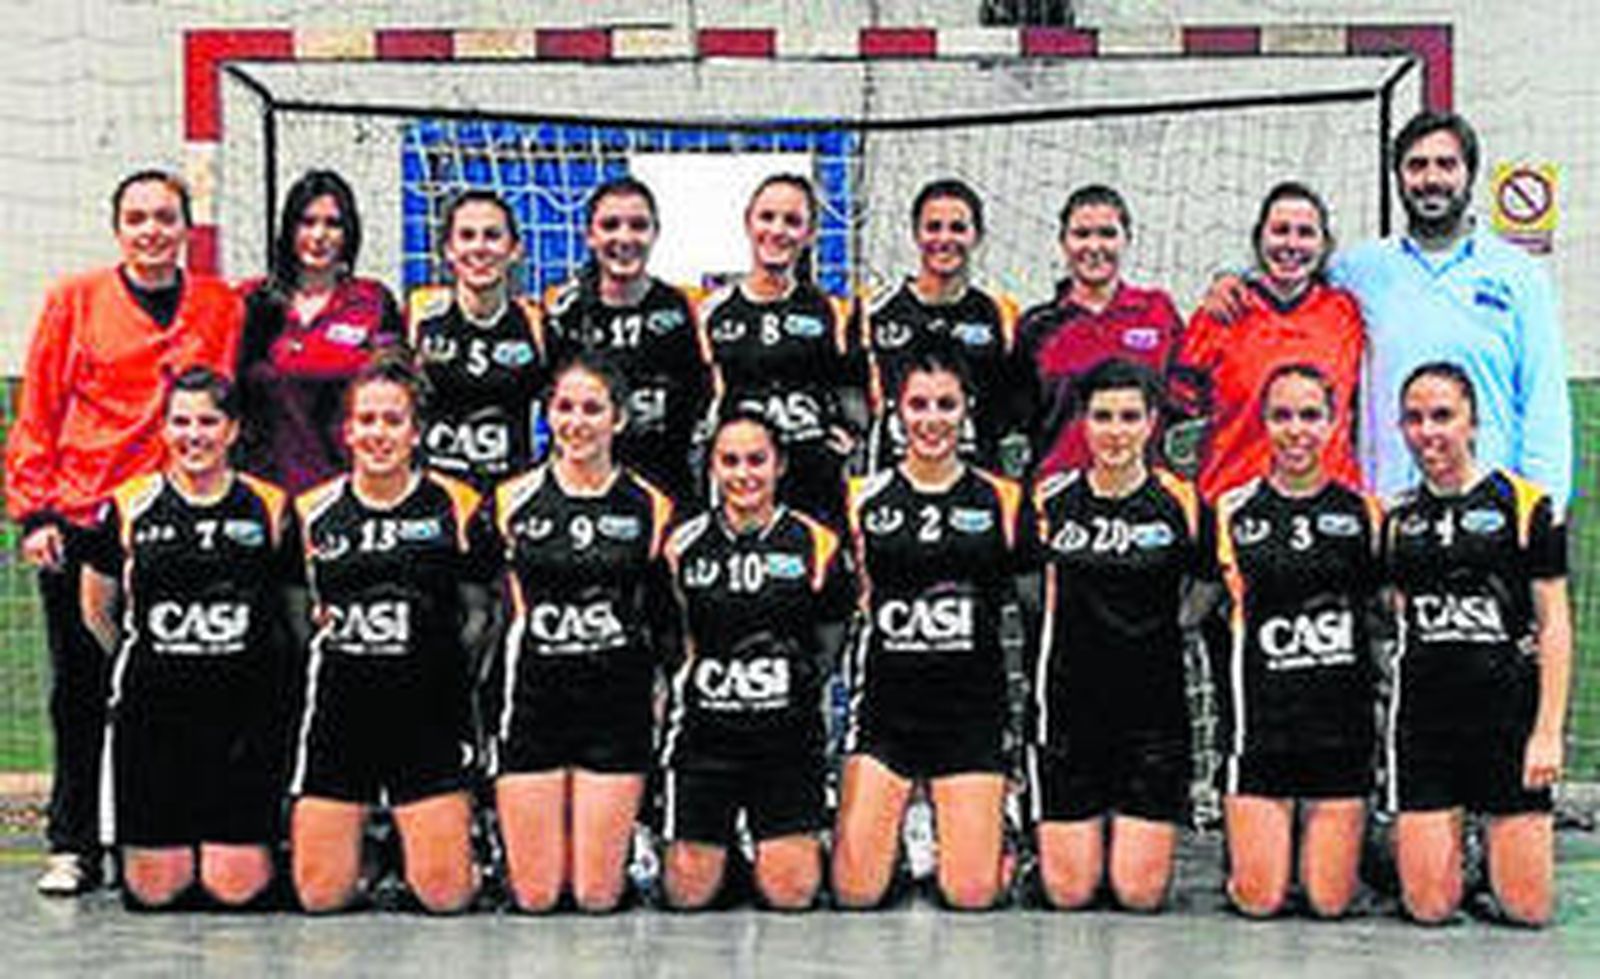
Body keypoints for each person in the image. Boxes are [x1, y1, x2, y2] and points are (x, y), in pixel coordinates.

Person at [5, 168, 243, 895]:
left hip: (182, 522)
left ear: (186, 228)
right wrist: (36, 513)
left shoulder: (221, 305)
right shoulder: (73, 301)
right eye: (137, 218)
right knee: (81, 687)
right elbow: (39, 410)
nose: (151, 231)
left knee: (181, 682)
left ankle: (178, 830)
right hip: (86, 519)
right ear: (117, 228)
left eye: (165, 217)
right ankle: (73, 841)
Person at [1203, 112, 1572, 509]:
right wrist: (1234, 276)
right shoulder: (1359, 269)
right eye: (1417, 166)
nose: (1431, 178)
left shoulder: (1519, 274)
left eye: (1446, 165)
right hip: (1390, 504)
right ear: (1398, 177)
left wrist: (1546, 504)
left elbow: (1543, 399)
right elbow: (1292, 265)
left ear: (1469, 174)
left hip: (1490, 506)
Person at [79, 367, 296, 909]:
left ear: (233, 430)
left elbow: (293, 615)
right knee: (156, 893)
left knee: (236, 891)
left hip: (242, 718)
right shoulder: (128, 505)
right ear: (163, 429)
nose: (193, 435)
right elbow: (98, 611)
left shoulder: (270, 507)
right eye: (180, 422)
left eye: (207, 422)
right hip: (155, 717)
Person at [287, 355, 496, 914]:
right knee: (320, 897)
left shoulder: (457, 506)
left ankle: (455, 844)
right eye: (367, 420)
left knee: (446, 897)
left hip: (425, 715)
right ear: (348, 431)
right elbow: (296, 615)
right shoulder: (310, 512)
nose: (379, 434)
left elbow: (480, 613)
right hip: (340, 713)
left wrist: (446, 673)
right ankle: (372, 852)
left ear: (416, 431)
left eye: (393, 420)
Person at [833, 341, 1033, 911]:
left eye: (946, 404)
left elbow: (1029, 602)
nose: (932, 420)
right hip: (886, 710)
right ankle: (900, 832)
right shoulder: (861, 498)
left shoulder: (1003, 499)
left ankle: (1003, 826)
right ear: (896, 411)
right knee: (855, 893)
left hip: (968, 710)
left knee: (971, 895)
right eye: (918, 405)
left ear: (967, 408)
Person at [485, 353, 676, 913]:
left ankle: (630, 848)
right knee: (537, 897)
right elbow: (484, 605)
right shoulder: (509, 500)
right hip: (533, 702)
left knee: (595, 896)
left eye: (592, 409)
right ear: (548, 414)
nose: (577, 422)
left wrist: (663, 689)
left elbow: (664, 615)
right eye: (565, 408)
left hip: (614, 705)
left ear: (619, 418)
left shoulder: (652, 506)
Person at [1382, 362, 1570, 926]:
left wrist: (1546, 734)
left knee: (1528, 909)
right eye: (1414, 418)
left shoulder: (1526, 506)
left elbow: (1554, 624)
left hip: (1506, 725)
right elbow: (1395, 610)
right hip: (1426, 728)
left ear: (1473, 421)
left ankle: (1489, 852)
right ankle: (1431, 850)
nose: (1428, 432)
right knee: (1428, 908)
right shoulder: (1396, 519)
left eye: (1443, 416)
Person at [1029, 358, 1209, 912]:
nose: (1115, 431)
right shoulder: (1049, 501)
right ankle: (1036, 854)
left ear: (1152, 423)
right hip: (1068, 714)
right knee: (1070, 894)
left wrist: (1168, 626)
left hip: (1152, 718)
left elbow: (1205, 585)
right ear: (1083, 422)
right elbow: (1027, 588)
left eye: (1129, 417)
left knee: (1138, 894)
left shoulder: (1182, 503)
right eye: (1102, 416)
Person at [659, 409, 854, 910]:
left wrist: (795, 684)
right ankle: (725, 854)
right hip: (705, 735)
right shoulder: (681, 545)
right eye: (730, 461)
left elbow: (831, 636)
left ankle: (788, 847)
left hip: (785, 736)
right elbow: (667, 635)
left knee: (792, 894)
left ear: (779, 464)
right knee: (686, 894)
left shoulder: (817, 543)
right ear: (712, 466)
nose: (743, 474)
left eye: (756, 460)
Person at [1210, 364, 1383, 919]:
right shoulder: (1231, 512)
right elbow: (1191, 607)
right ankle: (1248, 853)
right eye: (1281, 416)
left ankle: (1364, 848)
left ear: (1334, 423)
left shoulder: (1365, 515)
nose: (1296, 430)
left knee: (1329, 903)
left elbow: (1390, 609)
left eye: (1310, 416)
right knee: (1260, 900)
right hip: (1262, 734)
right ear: (1263, 423)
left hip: (1341, 734)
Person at [1171, 181, 1363, 503]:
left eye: (1305, 233)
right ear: (1259, 239)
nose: (1291, 244)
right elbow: (1180, 410)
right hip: (1235, 501)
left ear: (1324, 244)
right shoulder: (1221, 314)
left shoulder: (1347, 312)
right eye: (1280, 231)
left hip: (1331, 505)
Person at [697, 173, 858, 526]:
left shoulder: (831, 311)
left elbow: (853, 388)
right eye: (767, 217)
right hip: (743, 478)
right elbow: (699, 395)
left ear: (810, 234)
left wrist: (846, 439)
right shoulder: (712, 312)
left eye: (792, 221)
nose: (777, 230)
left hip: (814, 478)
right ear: (748, 222)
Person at [543, 177, 710, 504]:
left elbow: (704, 394)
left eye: (638, 226)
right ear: (589, 235)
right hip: (582, 492)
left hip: (666, 486)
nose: (624, 237)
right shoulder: (564, 312)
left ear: (655, 232)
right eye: (610, 225)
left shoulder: (682, 309)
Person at [238, 169, 403, 494]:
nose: (319, 235)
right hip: (265, 494)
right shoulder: (252, 302)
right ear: (289, 229)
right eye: (307, 222)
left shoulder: (373, 302)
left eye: (333, 224)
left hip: (346, 494)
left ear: (349, 233)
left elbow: (397, 396)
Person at [858, 178, 1026, 476]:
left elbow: (1013, 407)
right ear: (915, 234)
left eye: (958, 228)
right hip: (893, 481)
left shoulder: (1001, 315)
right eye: (933, 227)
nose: (945, 239)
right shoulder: (873, 311)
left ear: (977, 236)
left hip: (976, 482)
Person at [1017, 184, 1183, 477]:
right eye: (1082, 234)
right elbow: (1019, 421)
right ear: (1063, 242)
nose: (1094, 247)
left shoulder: (1157, 311)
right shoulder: (1037, 326)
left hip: (1142, 489)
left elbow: (1187, 399)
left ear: (1127, 239)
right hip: (1059, 488)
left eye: (1107, 234)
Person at [411, 190, 549, 492]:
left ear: (515, 249)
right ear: (448, 250)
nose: (479, 248)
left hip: (507, 496)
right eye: (467, 236)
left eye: (492, 236)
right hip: (435, 498)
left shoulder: (537, 324)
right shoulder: (418, 318)